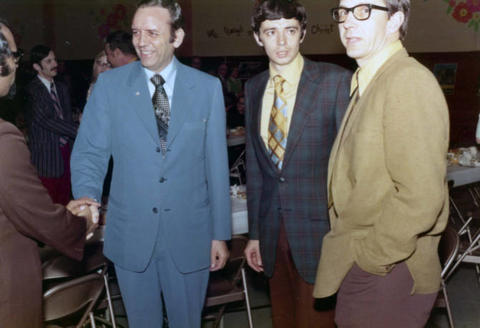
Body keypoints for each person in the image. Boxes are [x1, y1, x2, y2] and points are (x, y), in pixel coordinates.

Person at [70, 1, 231, 327]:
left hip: (191, 235)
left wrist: (220, 234)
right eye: (136, 32)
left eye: (153, 33)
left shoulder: (206, 88)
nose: (141, 41)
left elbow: (216, 164)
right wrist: (87, 200)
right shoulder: (110, 87)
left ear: (177, 36)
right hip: (131, 236)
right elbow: (90, 153)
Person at [314, 1, 450, 327]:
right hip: (373, 264)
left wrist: (370, 258)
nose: (347, 22)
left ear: (395, 20)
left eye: (363, 10)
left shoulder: (407, 81)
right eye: (343, 12)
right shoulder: (371, 80)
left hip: (389, 268)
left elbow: (421, 197)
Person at [243, 1, 351, 327]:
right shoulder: (254, 88)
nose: (282, 42)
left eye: (290, 30)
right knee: (283, 319)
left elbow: (348, 165)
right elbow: (256, 167)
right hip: (273, 234)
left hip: (321, 233)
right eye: (271, 32)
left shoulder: (335, 82)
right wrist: (255, 234)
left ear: (302, 33)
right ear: (257, 38)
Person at [0, 22, 99, 328]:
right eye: (14, 55)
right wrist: (82, 222)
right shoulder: (4, 137)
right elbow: (37, 217)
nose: (16, 64)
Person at [25, 44, 77, 205]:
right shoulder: (32, 90)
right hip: (46, 156)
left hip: (66, 151)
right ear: (36, 67)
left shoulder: (61, 87)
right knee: (50, 203)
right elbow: (45, 119)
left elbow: (65, 117)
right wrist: (79, 130)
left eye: (54, 59)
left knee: (66, 199)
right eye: (48, 61)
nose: (54, 64)